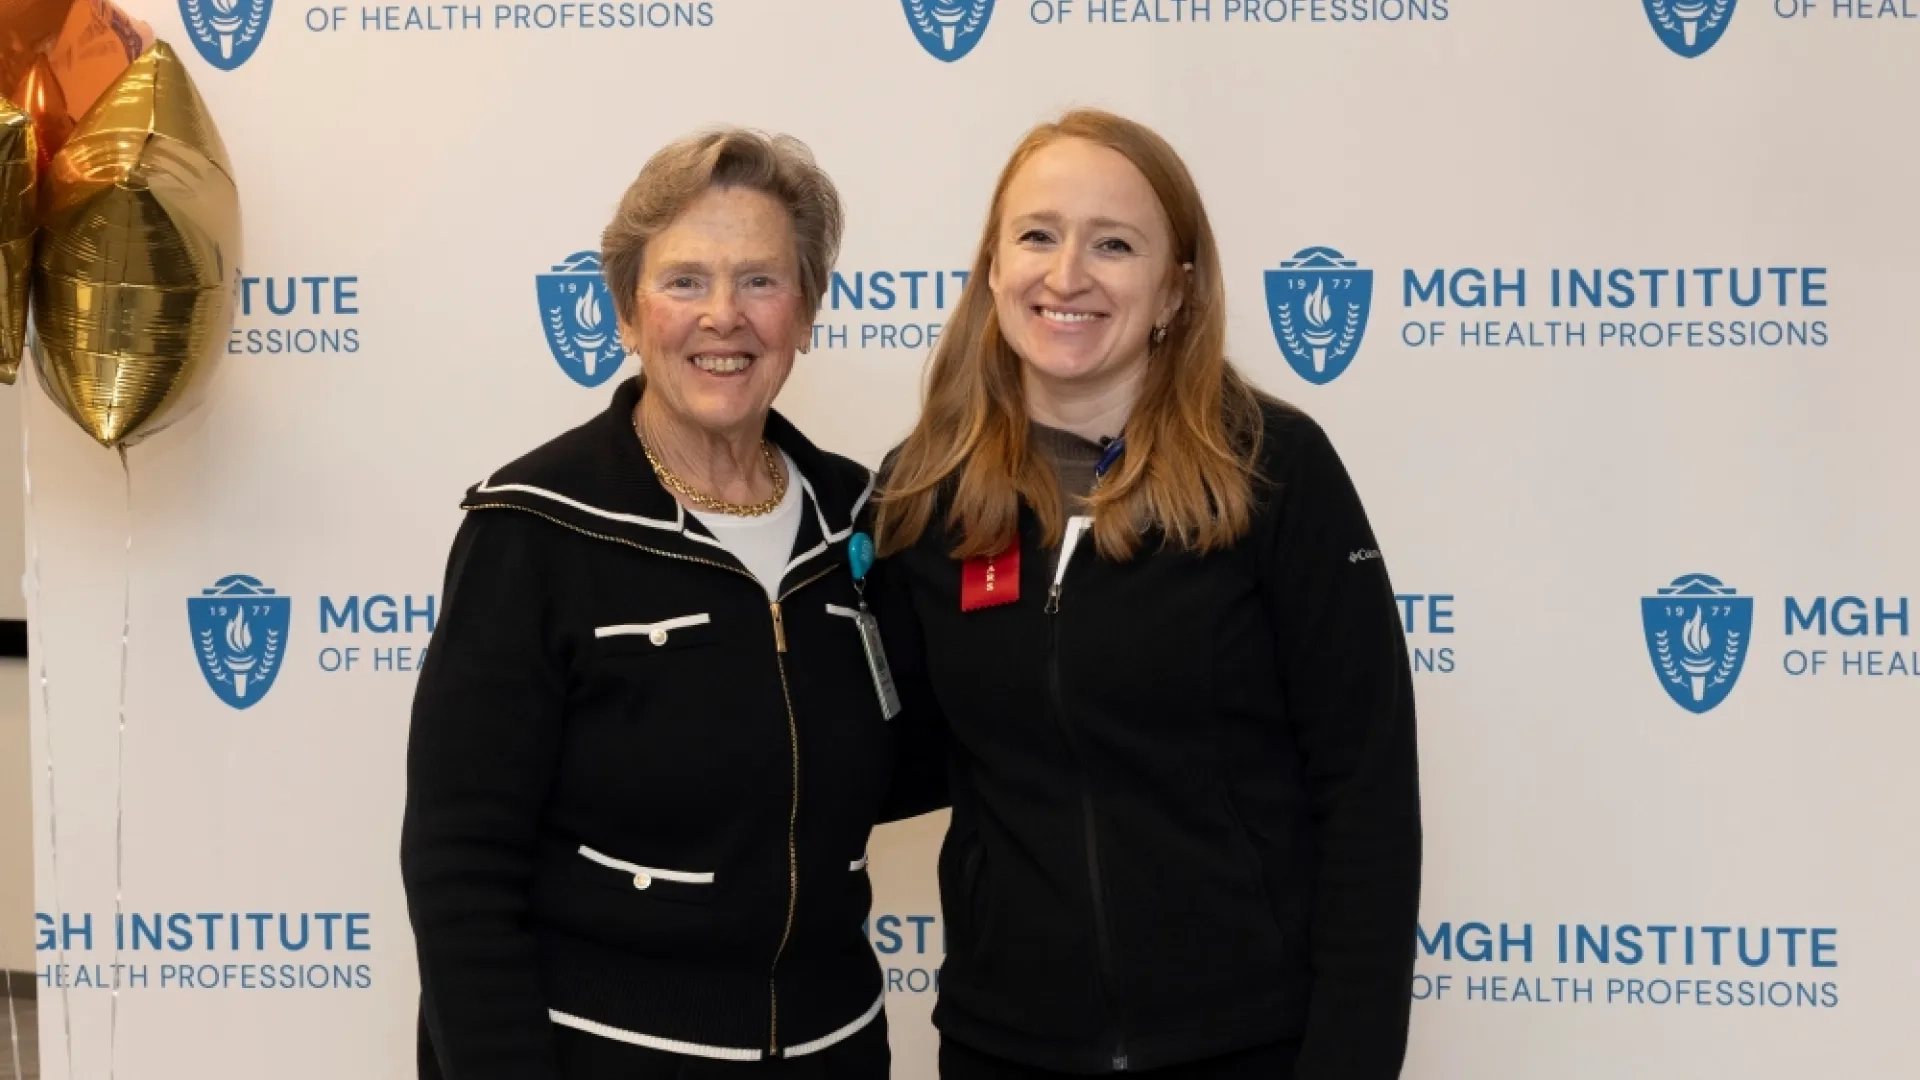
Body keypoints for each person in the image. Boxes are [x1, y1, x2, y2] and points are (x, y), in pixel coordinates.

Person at [872, 109, 1422, 1079]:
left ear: (1177, 289)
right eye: (1036, 235)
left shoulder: (1274, 469)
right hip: (1004, 1047)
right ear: (993, 269)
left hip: (1248, 1044)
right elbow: (879, 754)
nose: (1067, 273)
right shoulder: (924, 492)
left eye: (1114, 243)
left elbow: (1367, 798)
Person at [401, 127, 942, 1080]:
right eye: (685, 280)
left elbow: (931, 750)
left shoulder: (867, 524)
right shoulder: (535, 529)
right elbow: (459, 865)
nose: (722, 316)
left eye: (762, 281)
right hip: (600, 1053)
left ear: (808, 310)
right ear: (626, 309)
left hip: (833, 1050)